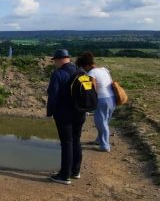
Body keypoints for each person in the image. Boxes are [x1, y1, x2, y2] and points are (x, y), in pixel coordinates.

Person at [46, 48, 86, 185]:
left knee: (66, 143)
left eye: (54, 61)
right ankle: (75, 171)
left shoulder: (58, 74)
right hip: (80, 113)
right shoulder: (81, 72)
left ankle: (64, 176)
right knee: (76, 140)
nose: (54, 63)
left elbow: (53, 96)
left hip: (64, 115)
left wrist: (49, 112)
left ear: (58, 60)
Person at [77, 51, 115, 152]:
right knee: (105, 121)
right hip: (112, 98)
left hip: (102, 100)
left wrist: (87, 105)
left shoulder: (91, 73)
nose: (83, 70)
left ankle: (105, 146)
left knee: (101, 123)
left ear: (87, 65)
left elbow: (91, 90)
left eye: (83, 67)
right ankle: (99, 140)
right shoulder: (104, 70)